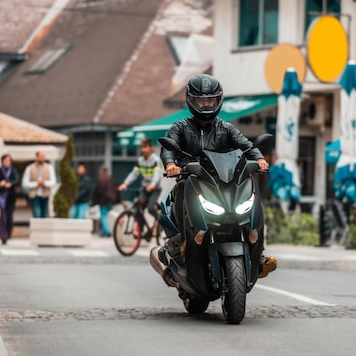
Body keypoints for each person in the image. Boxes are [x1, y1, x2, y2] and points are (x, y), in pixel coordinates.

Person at [160, 74, 276, 282]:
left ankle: (257, 251)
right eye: (200, 100)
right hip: (195, 181)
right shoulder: (180, 127)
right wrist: (170, 164)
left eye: (210, 100)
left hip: (222, 184)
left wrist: (259, 160)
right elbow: (168, 147)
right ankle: (187, 240)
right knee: (181, 186)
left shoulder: (226, 128)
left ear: (218, 101)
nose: (205, 105)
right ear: (191, 101)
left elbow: (246, 146)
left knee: (251, 188)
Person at [118, 137, 163, 222]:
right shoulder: (140, 160)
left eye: (145, 147)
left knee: (151, 208)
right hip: (145, 187)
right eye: (142, 147)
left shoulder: (156, 160)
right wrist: (125, 184)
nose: (143, 150)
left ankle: (161, 223)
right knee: (138, 209)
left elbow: (157, 175)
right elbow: (134, 174)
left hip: (155, 188)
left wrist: (153, 184)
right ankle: (141, 232)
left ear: (151, 148)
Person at [0, 154, 19, 245]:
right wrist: (0, 183)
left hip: (10, 197)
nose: (7, 162)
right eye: (6, 160)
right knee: (2, 217)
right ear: (2, 161)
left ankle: (8, 233)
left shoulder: (13, 171)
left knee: (9, 217)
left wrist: (10, 183)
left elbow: (17, 181)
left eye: (9, 160)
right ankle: (3, 236)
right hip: (0, 197)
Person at [22, 151, 57, 218]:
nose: (42, 158)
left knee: (44, 214)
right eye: (41, 156)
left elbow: (53, 181)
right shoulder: (29, 168)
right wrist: (36, 184)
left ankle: (42, 228)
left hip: (45, 194)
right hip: (35, 195)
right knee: (37, 214)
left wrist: (44, 183)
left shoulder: (49, 167)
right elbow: (25, 183)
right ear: (37, 157)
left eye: (43, 157)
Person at [93, 167, 119, 237]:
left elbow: (97, 192)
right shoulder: (112, 179)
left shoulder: (101, 180)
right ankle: (103, 232)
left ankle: (107, 230)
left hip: (103, 201)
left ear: (102, 172)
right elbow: (117, 190)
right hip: (111, 201)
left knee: (104, 216)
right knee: (109, 216)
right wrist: (117, 200)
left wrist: (95, 201)